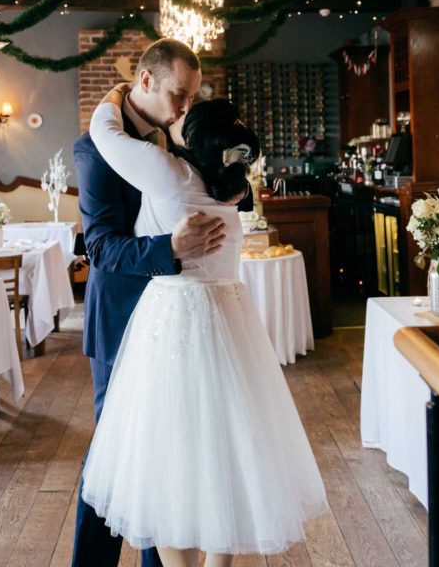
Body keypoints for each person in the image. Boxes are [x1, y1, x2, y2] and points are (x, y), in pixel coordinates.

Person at [79, 87, 327, 567]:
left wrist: (116, 92)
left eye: (188, 108)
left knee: (167, 463)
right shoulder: (230, 189)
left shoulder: (171, 175)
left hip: (175, 322)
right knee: (225, 457)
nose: (180, 108)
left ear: (191, 138)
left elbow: (103, 133)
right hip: (230, 323)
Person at [71, 39, 227, 567]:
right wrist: (171, 250)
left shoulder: (173, 140)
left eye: (191, 97)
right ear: (144, 83)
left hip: (172, 319)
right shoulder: (93, 150)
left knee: (168, 451)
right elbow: (99, 247)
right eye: (178, 95)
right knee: (116, 453)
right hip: (120, 318)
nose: (186, 107)